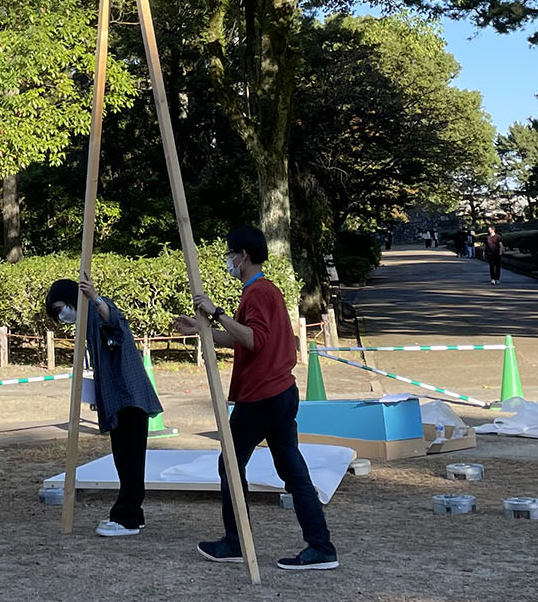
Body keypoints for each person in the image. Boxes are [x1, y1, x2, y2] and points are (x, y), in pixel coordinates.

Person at [176, 225, 338, 572]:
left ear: (243, 256)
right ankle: (321, 546)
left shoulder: (258, 293)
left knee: (231, 465)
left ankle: (236, 542)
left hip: (262, 396)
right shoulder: (265, 291)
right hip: (279, 392)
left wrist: (216, 313)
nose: (228, 261)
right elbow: (242, 339)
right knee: (292, 471)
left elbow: (254, 340)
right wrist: (203, 329)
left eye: (230, 254)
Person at [45, 273, 165, 537]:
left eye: (61, 308)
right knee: (124, 459)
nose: (62, 315)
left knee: (130, 460)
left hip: (128, 396)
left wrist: (95, 297)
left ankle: (127, 517)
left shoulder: (98, 309)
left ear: (71, 300)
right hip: (119, 397)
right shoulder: (87, 321)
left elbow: (116, 324)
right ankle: (133, 514)